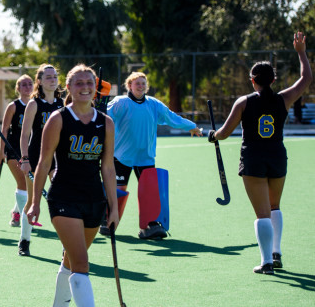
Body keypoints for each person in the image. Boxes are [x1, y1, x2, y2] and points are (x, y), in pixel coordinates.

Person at [209, 32, 312, 275]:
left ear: (252, 80)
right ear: (273, 80)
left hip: (253, 159)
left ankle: (266, 262)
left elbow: (224, 133)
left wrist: (212, 135)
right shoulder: (284, 99)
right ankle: (276, 253)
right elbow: (306, 79)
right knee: (275, 206)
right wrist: (301, 52)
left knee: (262, 213)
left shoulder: (244, 102)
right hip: (277, 157)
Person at [26, 64, 119, 307]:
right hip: (64, 198)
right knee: (82, 264)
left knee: (70, 259)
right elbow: (44, 164)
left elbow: (108, 169)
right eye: (79, 83)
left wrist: (114, 207)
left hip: (94, 201)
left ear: (95, 88)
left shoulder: (106, 123)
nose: (85, 88)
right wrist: (35, 203)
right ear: (68, 87)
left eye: (89, 83)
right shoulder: (58, 120)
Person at [106, 71, 203, 239]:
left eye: (143, 83)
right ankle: (108, 221)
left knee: (149, 191)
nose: (141, 86)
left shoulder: (154, 104)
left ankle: (149, 226)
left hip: (145, 157)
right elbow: (103, 115)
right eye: (137, 83)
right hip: (122, 156)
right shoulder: (120, 102)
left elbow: (171, 117)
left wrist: (191, 126)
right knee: (119, 190)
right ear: (129, 85)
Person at [19, 64, 65, 256]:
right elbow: (24, 135)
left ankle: (66, 245)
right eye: (48, 77)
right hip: (37, 158)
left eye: (54, 76)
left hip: (57, 159)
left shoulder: (63, 104)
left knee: (63, 200)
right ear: (39, 81)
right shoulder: (34, 104)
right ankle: (24, 240)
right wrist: (25, 159)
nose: (52, 80)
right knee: (32, 200)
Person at [0, 75, 34, 227]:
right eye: (23, 85)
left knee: (28, 184)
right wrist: (1, 152)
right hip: (13, 149)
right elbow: (4, 129)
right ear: (18, 88)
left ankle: (16, 210)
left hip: (31, 150)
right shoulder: (14, 106)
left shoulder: (36, 105)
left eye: (30, 84)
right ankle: (21, 216)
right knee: (22, 182)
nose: (27, 87)